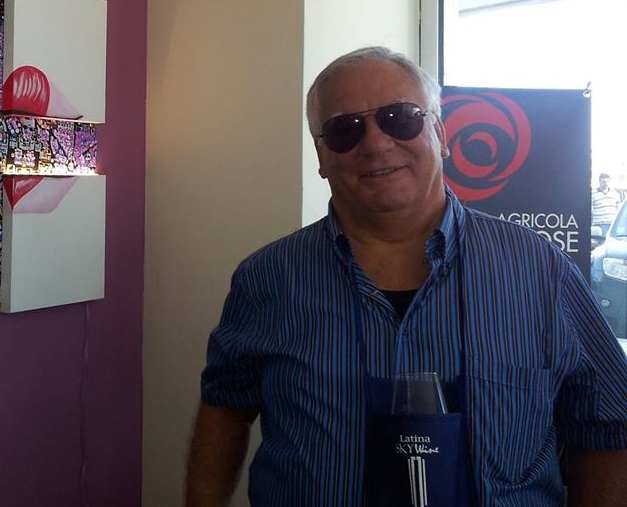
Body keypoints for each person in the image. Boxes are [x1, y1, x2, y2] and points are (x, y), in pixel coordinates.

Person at [186, 46, 627, 506]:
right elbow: (225, 408)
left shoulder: (540, 271)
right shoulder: (267, 280)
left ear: (440, 132)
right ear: (321, 155)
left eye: (400, 118)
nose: (376, 144)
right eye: (345, 129)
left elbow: (606, 426)